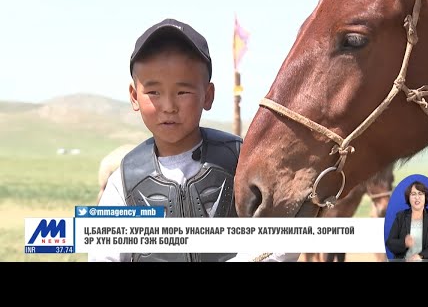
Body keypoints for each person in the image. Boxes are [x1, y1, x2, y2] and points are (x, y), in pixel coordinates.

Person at [88, 18, 299, 262]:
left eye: (183, 92)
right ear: (134, 97)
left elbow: (282, 239)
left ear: (207, 96)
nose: (168, 106)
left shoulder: (242, 162)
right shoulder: (124, 181)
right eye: (154, 92)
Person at [386, 181, 428, 261]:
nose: (417, 197)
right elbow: (390, 243)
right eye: (413, 194)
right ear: (408, 198)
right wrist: (404, 243)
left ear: (425, 197)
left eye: (420, 194)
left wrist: (420, 256)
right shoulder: (401, 217)